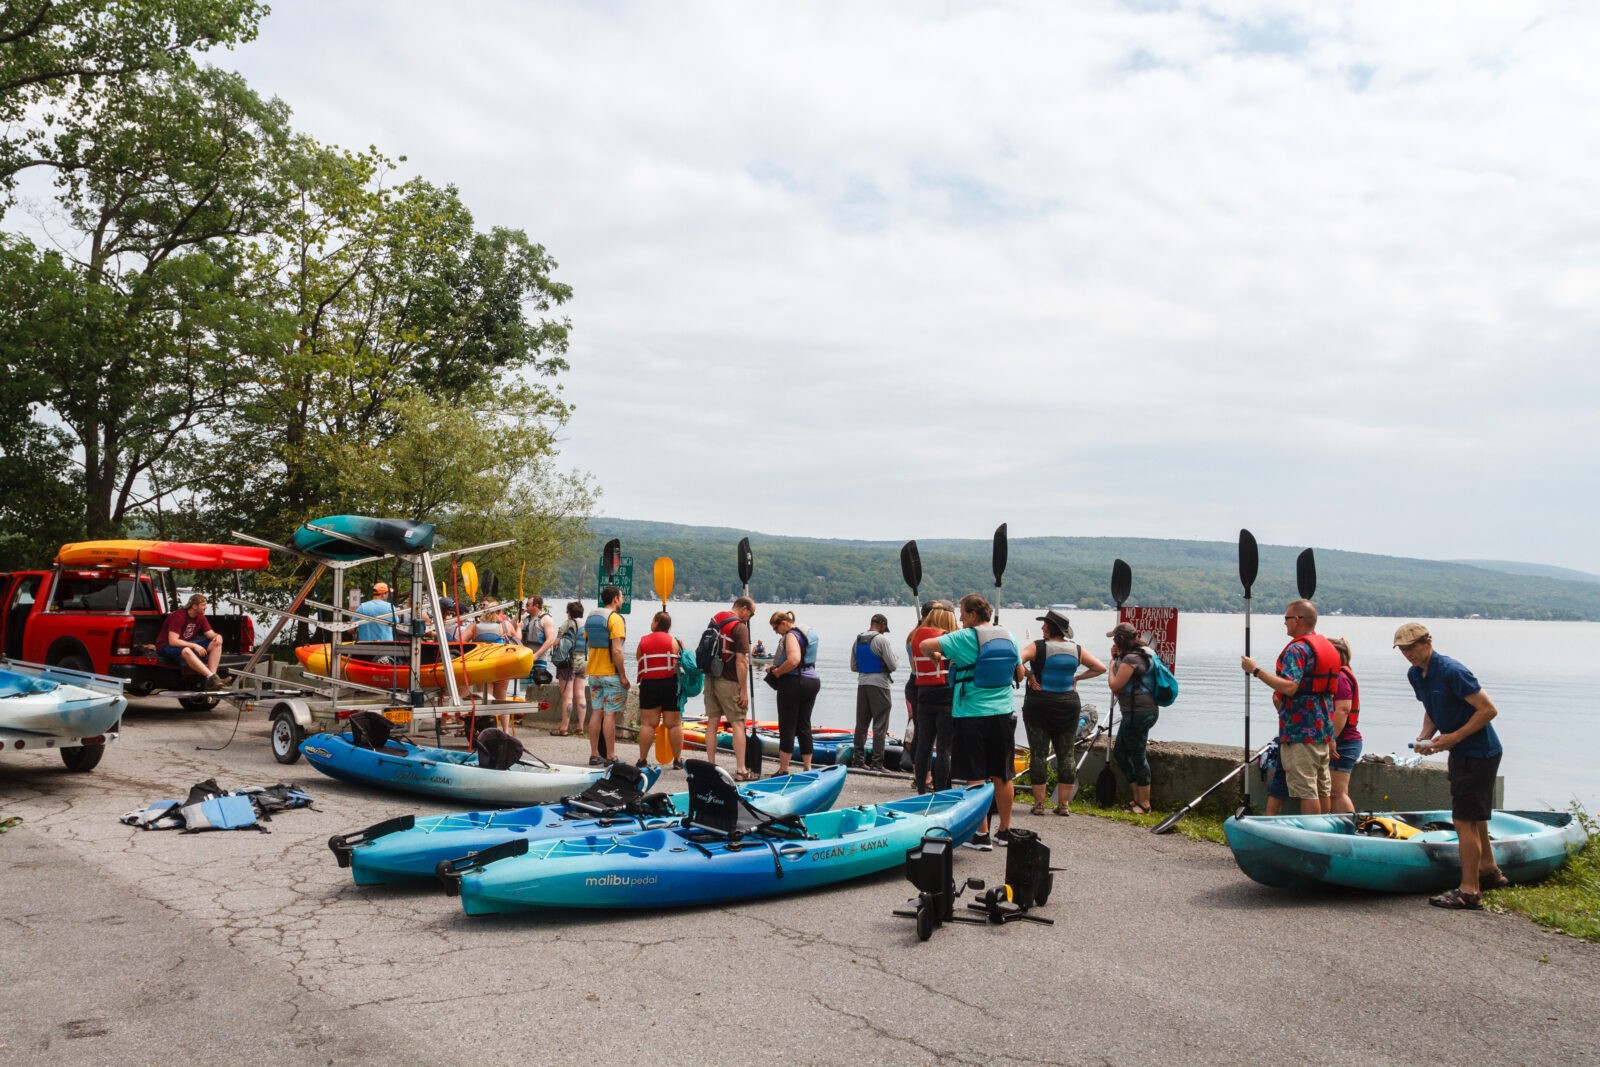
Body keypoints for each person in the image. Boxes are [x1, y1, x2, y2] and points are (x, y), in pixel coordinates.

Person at [1395, 622, 1507, 910]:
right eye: (1404, 649)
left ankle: (1470, 891)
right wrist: (1425, 738)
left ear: (1428, 641)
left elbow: (1488, 710)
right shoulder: (1415, 674)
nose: (1409, 654)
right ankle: (1488, 869)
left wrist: (1453, 738)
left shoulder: (1452, 671)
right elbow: (1432, 709)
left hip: (1479, 752)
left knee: (1463, 820)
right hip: (1460, 752)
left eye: (1413, 647)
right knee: (1474, 815)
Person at [919, 593, 1020, 850]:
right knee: (1003, 774)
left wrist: (940, 654)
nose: (960, 618)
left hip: (971, 713)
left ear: (974, 615)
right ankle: (1005, 831)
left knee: (976, 775)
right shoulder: (1007, 635)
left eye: (963, 612)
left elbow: (925, 646)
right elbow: (1018, 672)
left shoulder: (965, 636)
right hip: (1003, 713)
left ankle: (981, 834)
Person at [1242, 599, 1337, 816]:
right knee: (1322, 789)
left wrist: (1255, 670)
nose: (1284, 623)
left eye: (1286, 618)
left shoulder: (1298, 649)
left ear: (1297, 620)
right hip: (1322, 731)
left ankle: (1311, 838)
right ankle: (1324, 835)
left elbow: (1291, 687)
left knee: (1307, 790)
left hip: (1301, 732)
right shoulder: (1325, 646)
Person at [1020, 609, 1105, 816]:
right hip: (1068, 704)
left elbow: (1016, 659)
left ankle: (1039, 805)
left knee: (1039, 754)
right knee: (1066, 754)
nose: (1042, 628)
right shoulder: (1076, 650)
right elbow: (1100, 667)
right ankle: (1064, 805)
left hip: (1039, 704)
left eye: (1045, 625)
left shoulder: (1037, 647)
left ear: (1051, 628)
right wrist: (1077, 679)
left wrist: (1030, 675)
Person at [1105, 622, 1160, 814]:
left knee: (1137, 755)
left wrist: (1112, 663)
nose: (1112, 641)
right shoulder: (1141, 653)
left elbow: (1115, 685)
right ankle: (1137, 799)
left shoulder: (1132, 658)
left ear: (1120, 639)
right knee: (1120, 752)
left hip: (1140, 713)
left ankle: (1145, 804)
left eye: (1114, 638)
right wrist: (1117, 657)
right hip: (1137, 711)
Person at [702, 596, 756, 778]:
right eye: (751, 614)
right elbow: (741, 661)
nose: (750, 618)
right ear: (744, 609)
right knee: (739, 723)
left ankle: (710, 766)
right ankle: (741, 769)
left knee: (712, 722)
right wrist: (744, 690)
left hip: (710, 677)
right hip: (729, 680)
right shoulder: (740, 627)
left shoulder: (716, 618)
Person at [907, 600, 958, 793]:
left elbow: (914, 666)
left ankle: (921, 789)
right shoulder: (946, 637)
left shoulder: (915, 636)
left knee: (924, 746)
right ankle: (942, 790)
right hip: (945, 694)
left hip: (922, 693)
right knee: (944, 748)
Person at [765, 610, 821, 776]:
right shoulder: (806, 631)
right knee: (804, 725)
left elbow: (794, 660)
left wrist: (778, 672)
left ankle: (784, 769)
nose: (777, 633)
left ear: (783, 623)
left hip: (793, 683)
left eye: (776, 629)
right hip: (812, 680)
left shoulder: (790, 635)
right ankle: (807, 767)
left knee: (787, 726)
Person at [583, 586, 629, 766]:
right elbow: (617, 650)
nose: (622, 600)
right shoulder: (615, 619)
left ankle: (594, 754)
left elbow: (588, 642)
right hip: (610, 674)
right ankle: (611, 756)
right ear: (615, 599)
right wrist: (623, 675)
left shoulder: (592, 617)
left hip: (593, 673)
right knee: (609, 715)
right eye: (621, 597)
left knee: (596, 712)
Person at [849, 613, 900, 770]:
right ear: (882, 625)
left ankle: (858, 760)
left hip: (862, 683)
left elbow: (853, 666)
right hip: (880, 685)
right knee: (880, 725)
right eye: (885, 628)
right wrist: (896, 658)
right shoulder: (881, 640)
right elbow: (892, 666)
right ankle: (877, 763)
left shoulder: (858, 639)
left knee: (861, 724)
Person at [635, 611, 684, 769]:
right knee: (674, 724)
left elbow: (638, 658)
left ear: (656, 622)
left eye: (652, 620)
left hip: (649, 684)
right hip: (670, 684)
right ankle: (677, 760)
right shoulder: (674, 641)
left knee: (648, 724)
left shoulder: (644, 641)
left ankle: (642, 759)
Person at [157, 592, 227, 689]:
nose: (206, 607)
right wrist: (194, 646)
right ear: (194, 606)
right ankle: (211, 677)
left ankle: (213, 679)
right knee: (186, 650)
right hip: (166, 646)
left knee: (216, 643)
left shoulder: (200, 617)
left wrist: (218, 636)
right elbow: (173, 641)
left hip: (184, 644)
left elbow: (210, 633)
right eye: (203, 605)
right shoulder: (179, 616)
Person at [1326, 637, 1363, 814]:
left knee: (1337, 793)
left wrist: (1332, 739)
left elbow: (1342, 710)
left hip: (1344, 742)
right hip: (1344, 741)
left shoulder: (1340, 676)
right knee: (1332, 793)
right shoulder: (1342, 674)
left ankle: (1350, 828)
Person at [552, 600, 586, 736]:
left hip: (568, 663)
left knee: (567, 696)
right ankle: (580, 727)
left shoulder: (567, 624)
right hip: (583, 661)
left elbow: (556, 643)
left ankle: (564, 728)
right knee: (581, 694)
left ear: (569, 613)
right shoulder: (586, 625)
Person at [522, 595, 559, 688]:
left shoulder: (546, 619)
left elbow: (550, 640)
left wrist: (536, 655)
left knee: (538, 685)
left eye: (528, 604)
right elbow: (511, 628)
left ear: (536, 606)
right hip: (525, 658)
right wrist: (518, 614)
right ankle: (525, 701)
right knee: (525, 687)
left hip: (539, 658)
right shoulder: (525, 619)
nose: (526, 606)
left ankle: (538, 702)